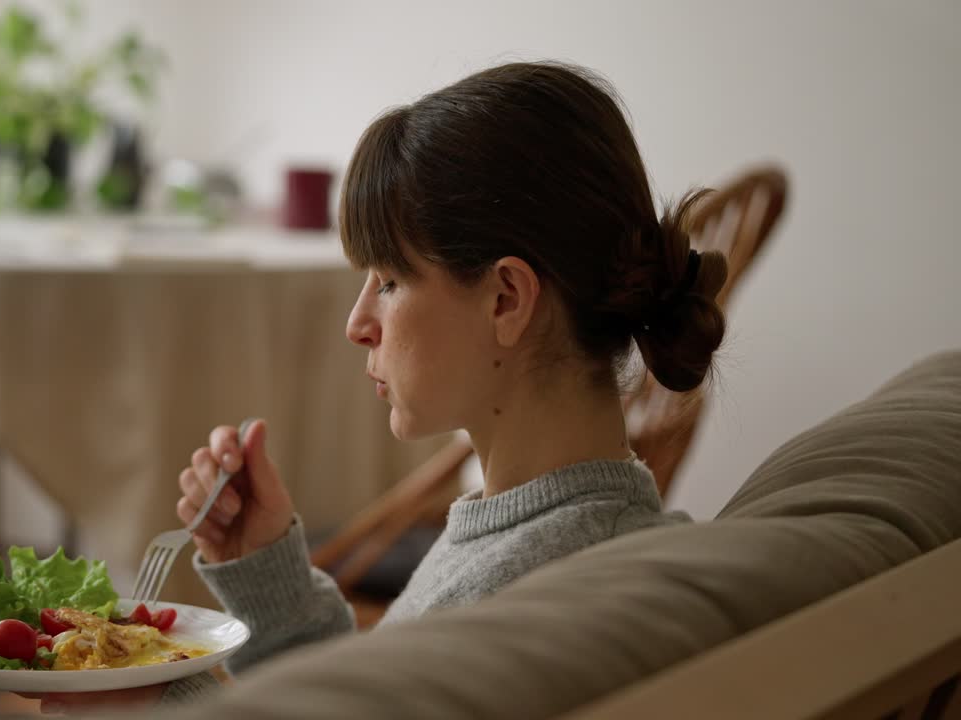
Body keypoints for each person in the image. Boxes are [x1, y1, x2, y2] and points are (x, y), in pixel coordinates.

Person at [38, 58, 725, 713]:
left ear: (506, 299)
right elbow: (372, 697)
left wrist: (151, 694)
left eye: (390, 281)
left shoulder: (522, 596)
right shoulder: (557, 540)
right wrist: (267, 573)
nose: (357, 323)